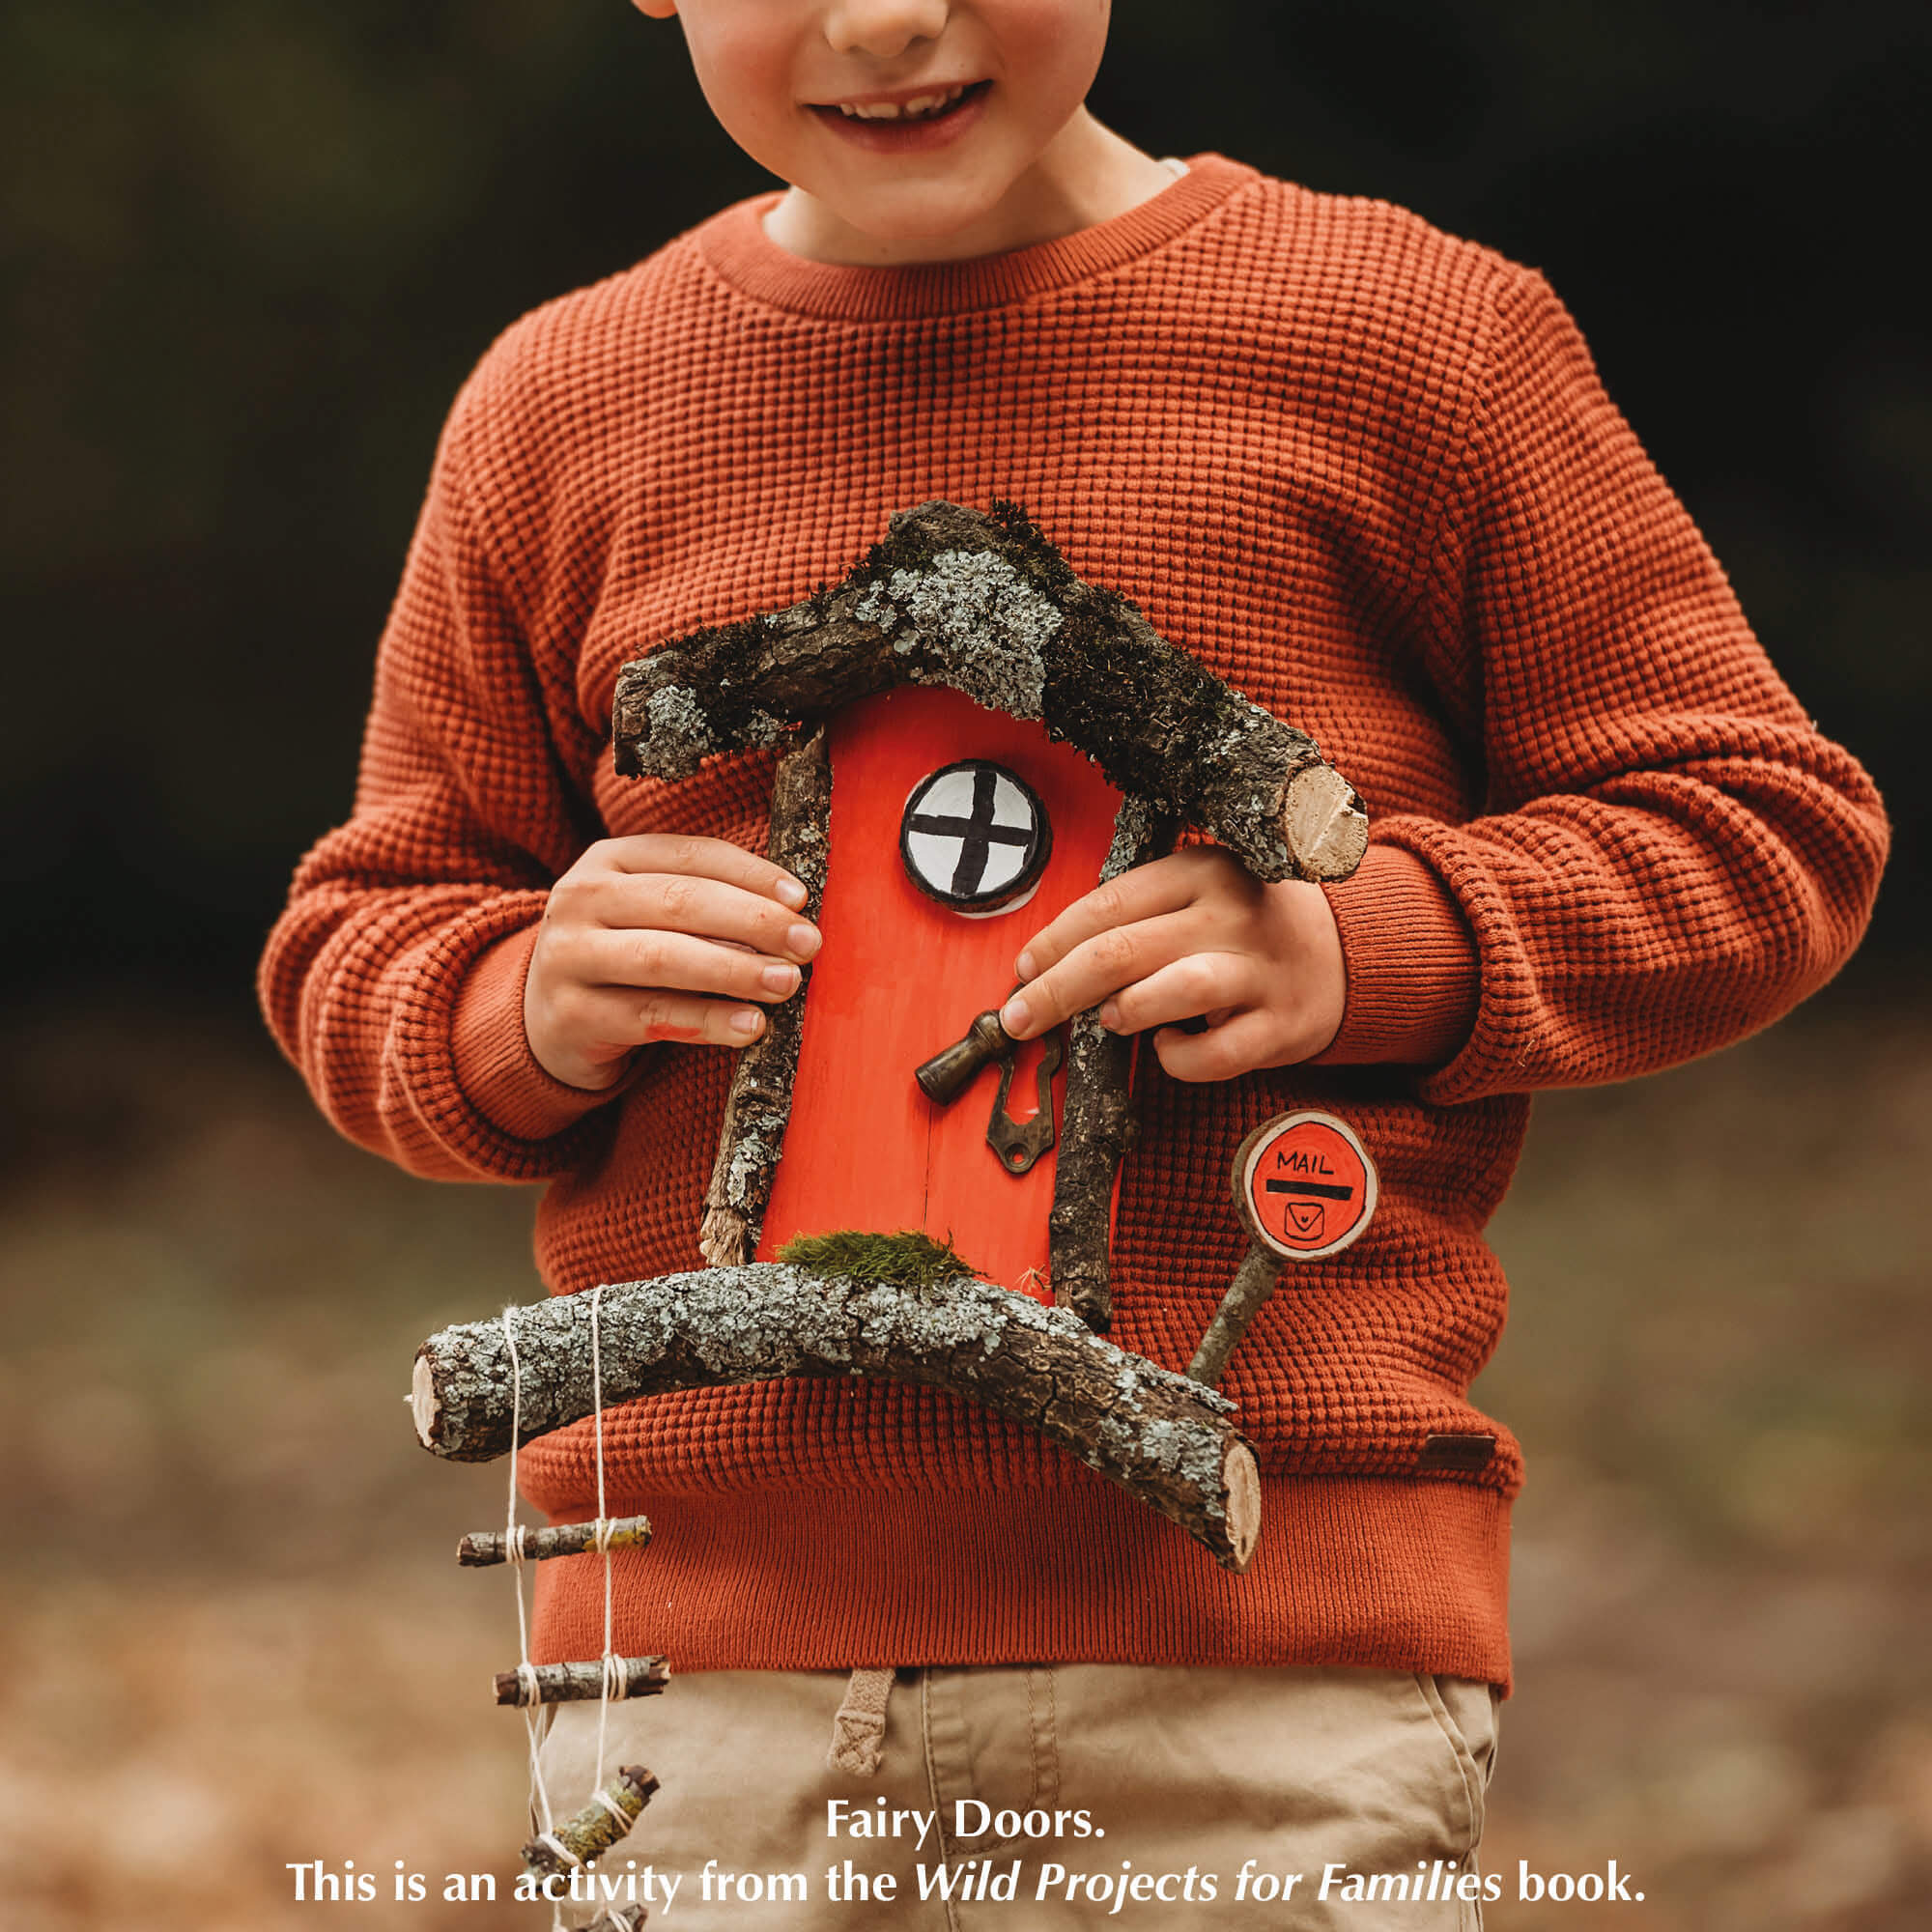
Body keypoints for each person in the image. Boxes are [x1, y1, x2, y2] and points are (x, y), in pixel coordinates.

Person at [260, 1, 1888, 1923]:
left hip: (1265, 1656)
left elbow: (1761, 824)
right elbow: (365, 932)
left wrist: (1381, 944)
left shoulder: (1411, 340)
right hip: (701, 1687)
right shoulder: (568, 398)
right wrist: (511, 1000)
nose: (885, 18)